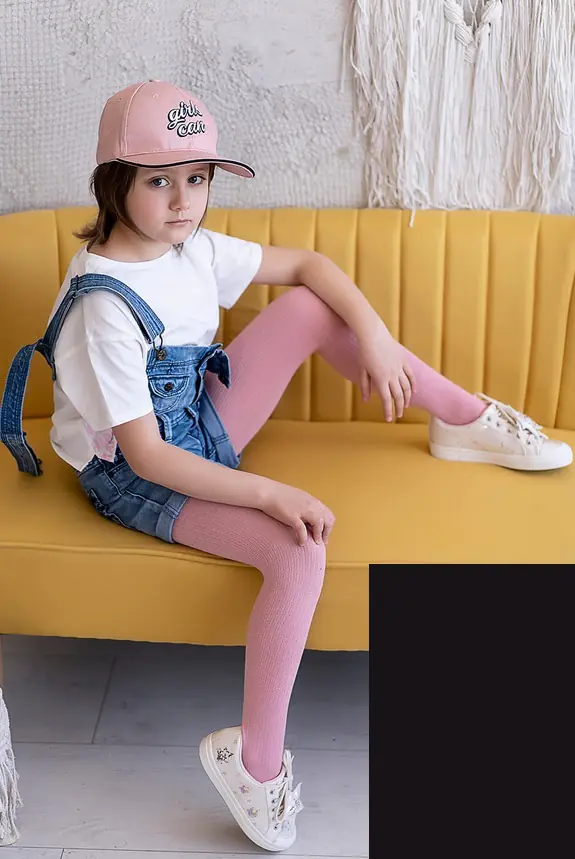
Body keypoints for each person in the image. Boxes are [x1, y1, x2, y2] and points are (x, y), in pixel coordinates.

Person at [0, 80, 572, 852]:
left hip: (196, 421)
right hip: (138, 473)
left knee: (307, 306)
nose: (183, 200)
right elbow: (148, 454)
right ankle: (253, 763)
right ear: (114, 183)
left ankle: (461, 418)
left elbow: (308, 265)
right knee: (299, 548)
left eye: (197, 177)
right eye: (159, 180)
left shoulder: (189, 248)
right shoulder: (103, 306)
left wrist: (374, 337)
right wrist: (269, 493)